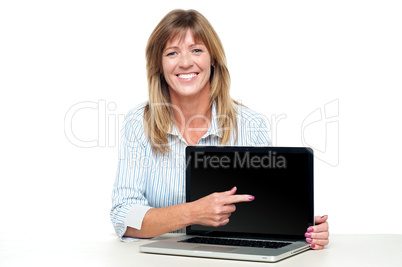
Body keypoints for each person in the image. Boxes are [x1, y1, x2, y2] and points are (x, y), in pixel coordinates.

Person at [110, 9, 329, 250]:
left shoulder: (250, 124)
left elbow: (267, 209)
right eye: (172, 53)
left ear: (212, 58)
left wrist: (301, 225)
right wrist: (193, 212)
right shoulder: (138, 123)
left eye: (196, 50)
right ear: (159, 64)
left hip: (233, 256)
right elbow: (124, 216)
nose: (185, 62)